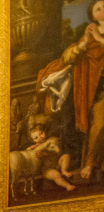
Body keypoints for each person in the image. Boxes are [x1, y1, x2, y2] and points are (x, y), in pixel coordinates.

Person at [38, 0, 104, 181]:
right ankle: (90, 163)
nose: (103, 10)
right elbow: (70, 57)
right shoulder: (88, 35)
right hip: (98, 92)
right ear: (93, 16)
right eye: (99, 8)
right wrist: (83, 45)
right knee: (98, 122)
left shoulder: (97, 37)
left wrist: (100, 40)